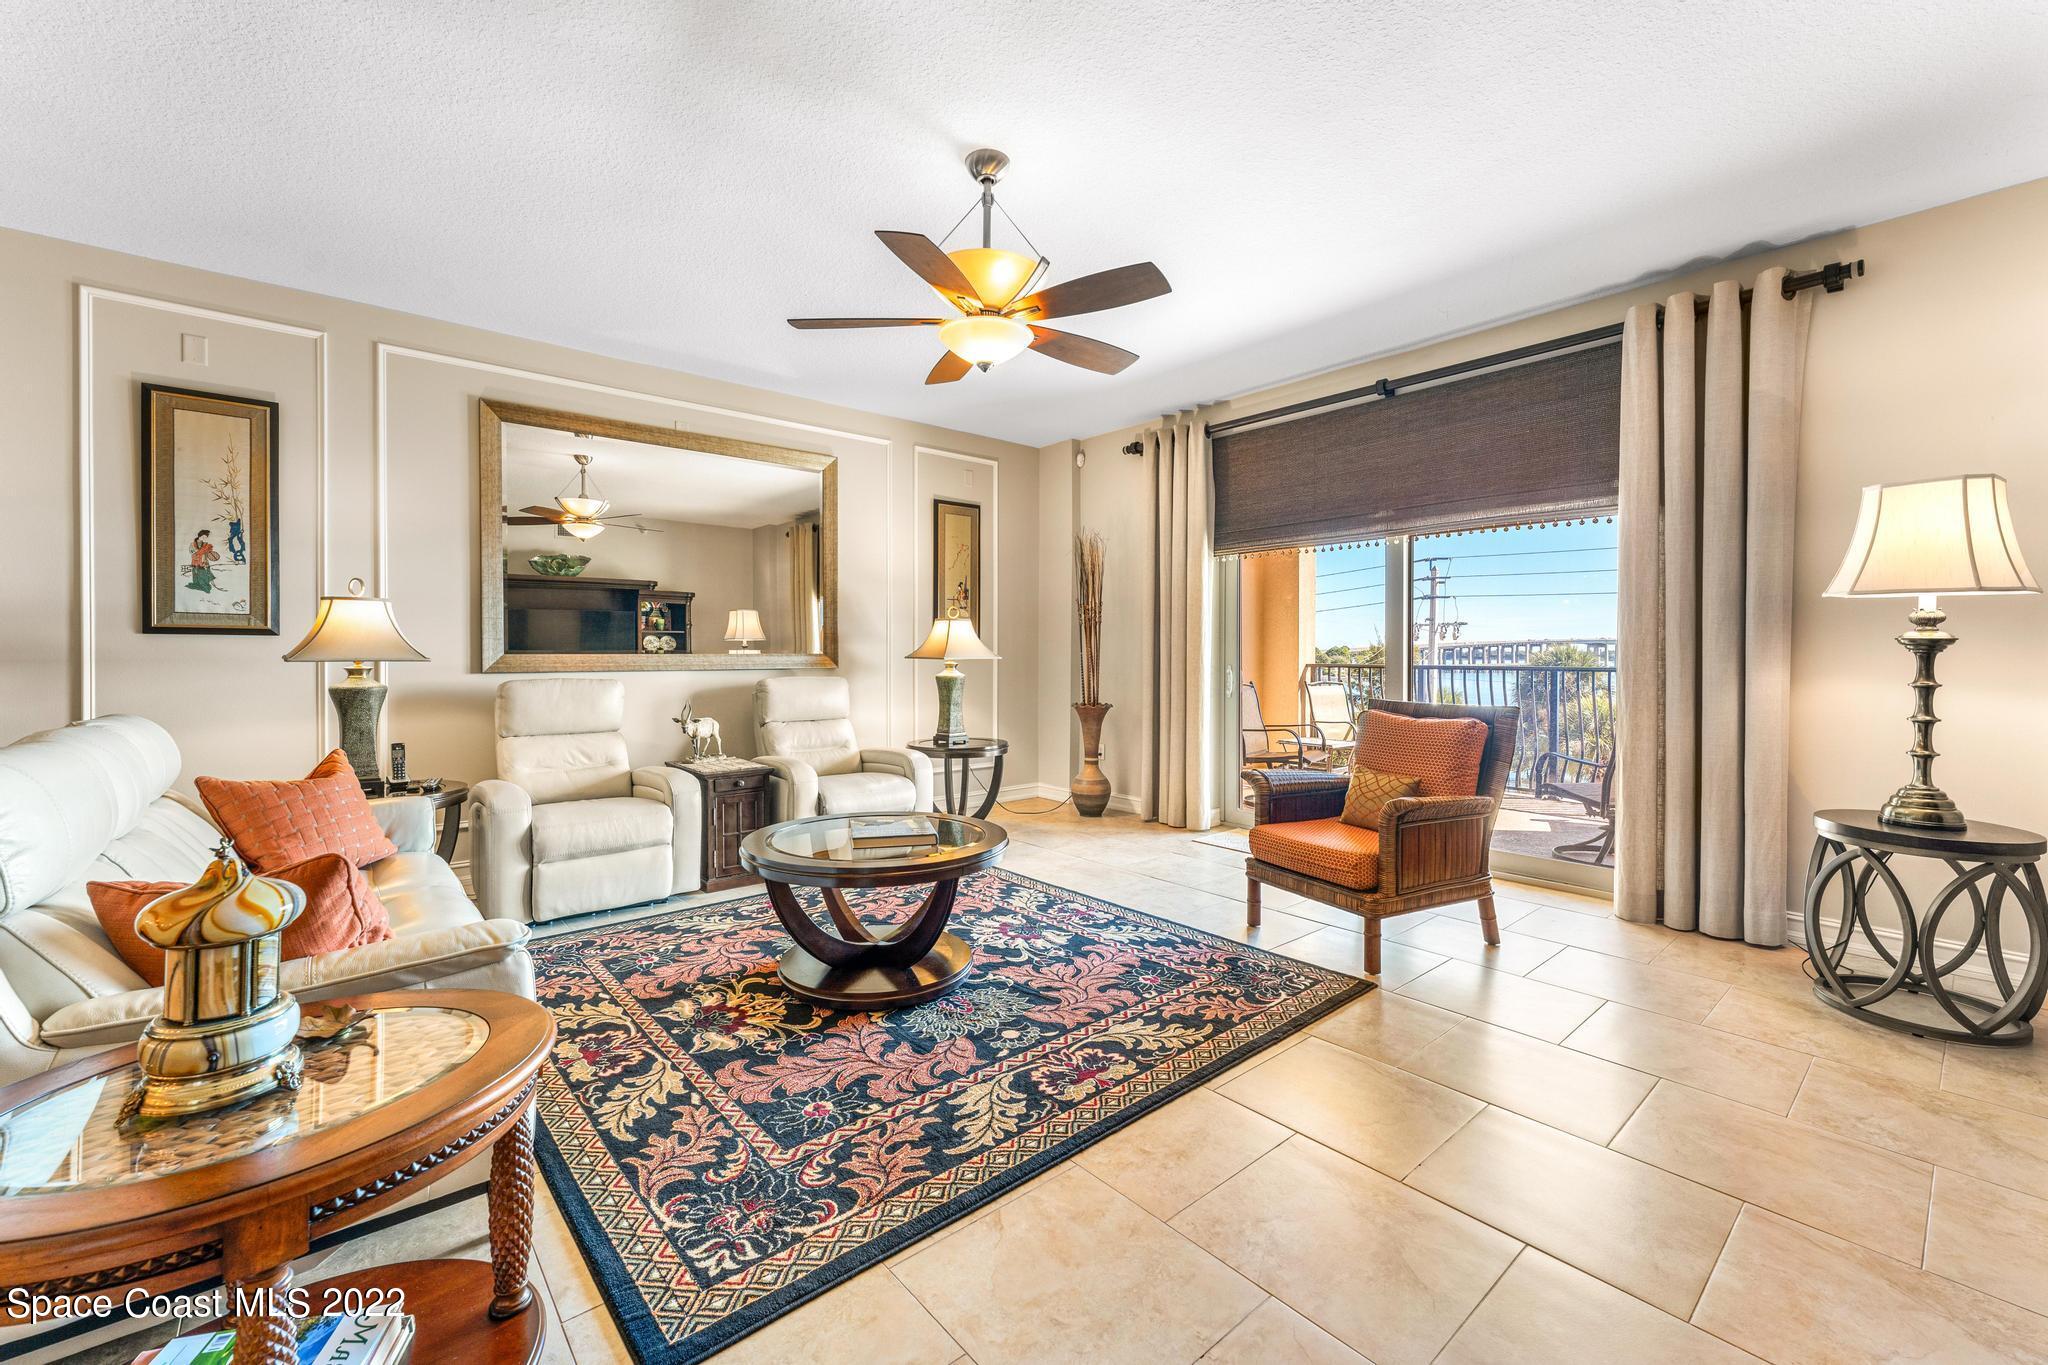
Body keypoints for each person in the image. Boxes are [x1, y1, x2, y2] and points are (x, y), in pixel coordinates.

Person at [187, 528, 220, 593]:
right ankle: (198, 585)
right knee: (196, 573)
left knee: (205, 573)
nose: (204, 538)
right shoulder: (192, 544)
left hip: (204, 561)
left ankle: (206, 586)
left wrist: (206, 553)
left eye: (206, 537)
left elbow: (208, 553)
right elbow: (192, 552)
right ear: (200, 536)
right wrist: (201, 552)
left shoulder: (206, 545)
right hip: (196, 561)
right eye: (204, 537)